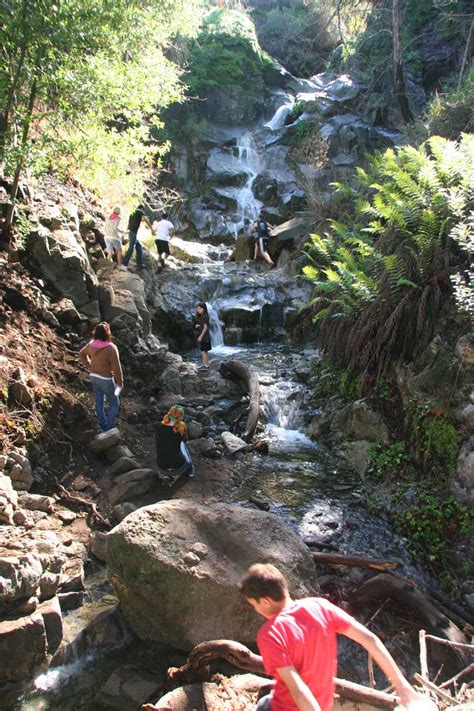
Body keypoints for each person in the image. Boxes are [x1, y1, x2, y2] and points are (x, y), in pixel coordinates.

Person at [239, 564, 423, 711]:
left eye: (253, 604)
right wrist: (402, 686)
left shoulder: (271, 634)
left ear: (265, 601)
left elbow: (299, 689)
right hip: (322, 704)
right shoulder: (320, 606)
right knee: (266, 700)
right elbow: (370, 639)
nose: (256, 609)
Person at [79, 322, 124, 432]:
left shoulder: (91, 344)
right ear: (107, 333)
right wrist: (120, 382)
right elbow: (116, 368)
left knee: (99, 402)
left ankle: (103, 426)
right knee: (114, 403)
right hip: (106, 380)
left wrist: (89, 365)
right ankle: (108, 429)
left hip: (94, 377)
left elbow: (81, 353)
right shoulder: (111, 348)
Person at [155, 405, 195, 482]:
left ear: (168, 414)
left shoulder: (158, 426)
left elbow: (159, 421)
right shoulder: (180, 428)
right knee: (183, 444)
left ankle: (167, 475)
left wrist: (167, 418)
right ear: (180, 417)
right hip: (179, 468)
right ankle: (190, 471)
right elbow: (185, 440)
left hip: (161, 468)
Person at [122, 203, 152, 271]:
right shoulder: (140, 212)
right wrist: (152, 229)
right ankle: (124, 264)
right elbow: (145, 220)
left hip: (130, 232)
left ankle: (139, 265)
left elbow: (135, 221)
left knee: (139, 247)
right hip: (133, 233)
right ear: (142, 209)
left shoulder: (133, 213)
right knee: (131, 249)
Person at [193, 302, 212, 368]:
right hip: (206, 336)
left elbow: (205, 327)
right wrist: (199, 325)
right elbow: (204, 325)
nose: (198, 310)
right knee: (205, 351)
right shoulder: (204, 316)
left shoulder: (204, 316)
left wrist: (200, 336)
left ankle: (205, 365)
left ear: (204, 309)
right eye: (197, 308)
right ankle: (206, 364)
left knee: (203, 351)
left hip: (204, 337)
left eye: (200, 308)